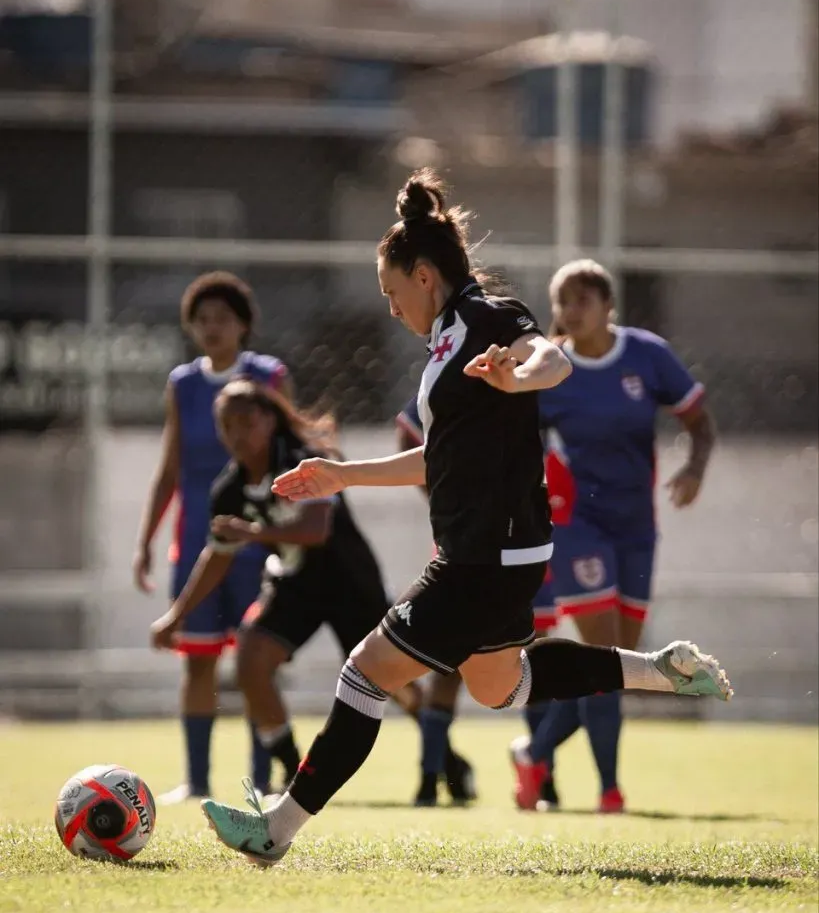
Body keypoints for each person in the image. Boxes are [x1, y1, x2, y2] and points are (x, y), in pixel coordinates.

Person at [200, 169, 732, 867]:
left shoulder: (486, 316)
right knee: (499, 685)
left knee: (365, 673)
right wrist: (342, 474)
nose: (391, 308)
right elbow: (438, 457)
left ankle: (276, 830)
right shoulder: (446, 342)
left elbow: (551, 360)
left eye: (391, 292)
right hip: (501, 553)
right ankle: (660, 671)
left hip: (484, 555)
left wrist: (519, 376)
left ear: (423, 276)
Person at [510, 258, 717, 813]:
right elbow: (518, 445)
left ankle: (533, 753)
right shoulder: (549, 368)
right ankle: (609, 791)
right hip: (578, 526)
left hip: (637, 528)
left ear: (609, 305)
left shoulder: (646, 355)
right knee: (605, 656)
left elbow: (699, 422)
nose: (570, 311)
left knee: (623, 666)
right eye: (563, 301)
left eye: (583, 299)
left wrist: (694, 469)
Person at [149, 378, 408, 794]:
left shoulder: (302, 463)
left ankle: (443, 760)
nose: (237, 434)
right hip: (295, 585)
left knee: (395, 684)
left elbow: (316, 530)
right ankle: (292, 771)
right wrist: (175, 617)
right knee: (250, 659)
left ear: (270, 420)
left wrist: (252, 532)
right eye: (227, 425)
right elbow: (218, 555)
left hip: (349, 583)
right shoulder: (229, 489)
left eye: (246, 422)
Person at [134, 271, 292, 804]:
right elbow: (170, 467)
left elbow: (291, 453)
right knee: (198, 658)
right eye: (201, 320)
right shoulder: (182, 384)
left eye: (222, 318)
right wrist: (146, 540)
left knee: (256, 659)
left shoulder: (269, 377)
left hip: (257, 544)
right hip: (197, 544)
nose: (211, 328)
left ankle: (261, 780)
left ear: (243, 324)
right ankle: (197, 781)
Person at [395, 398, 477, 808]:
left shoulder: (535, 379)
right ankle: (430, 778)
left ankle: (540, 767)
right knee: (448, 666)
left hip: (524, 545)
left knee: (534, 659)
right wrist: (442, 496)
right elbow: (408, 429)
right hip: (465, 546)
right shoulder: (456, 378)